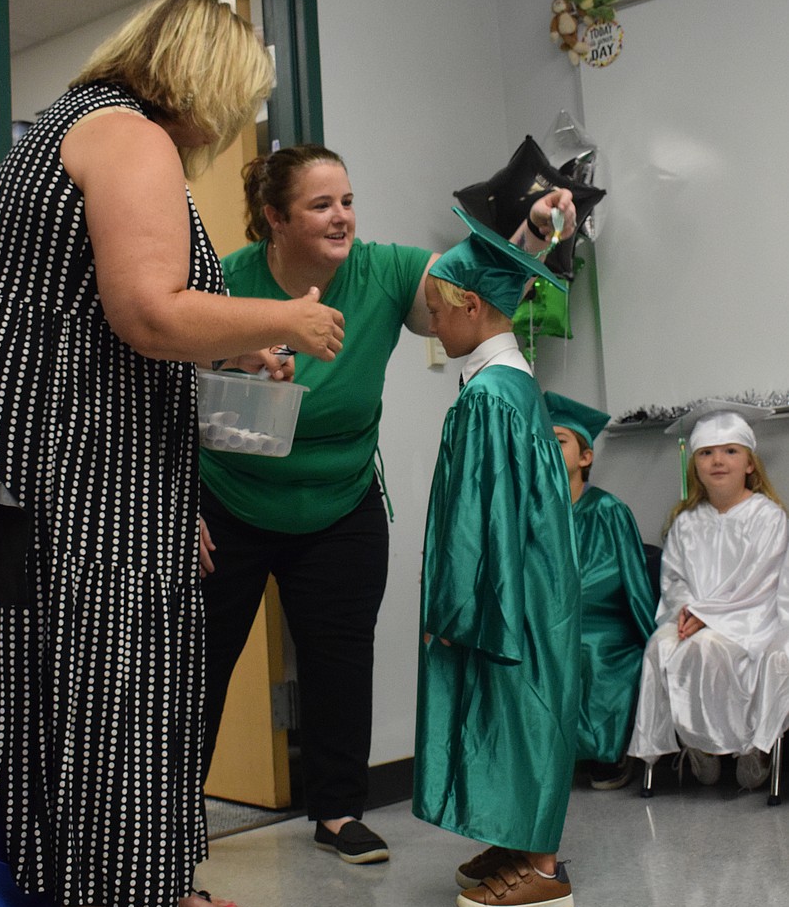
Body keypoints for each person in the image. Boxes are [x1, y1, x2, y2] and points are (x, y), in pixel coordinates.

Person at [0, 0, 346, 907]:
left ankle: (138, 879)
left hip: (83, 437)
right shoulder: (128, 136)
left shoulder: (78, 130)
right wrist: (286, 322)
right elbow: (149, 315)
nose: (225, 123)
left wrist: (239, 342)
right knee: (96, 655)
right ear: (203, 78)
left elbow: (120, 307)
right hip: (60, 443)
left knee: (140, 648)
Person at [199, 145, 576, 864]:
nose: (343, 216)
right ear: (275, 218)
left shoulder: (386, 270)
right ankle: (174, 825)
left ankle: (338, 810)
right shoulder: (224, 280)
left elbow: (472, 289)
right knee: (201, 666)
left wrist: (530, 233)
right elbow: (161, 388)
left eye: (347, 200)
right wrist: (178, 505)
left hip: (341, 501)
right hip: (231, 501)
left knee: (340, 658)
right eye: (321, 205)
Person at [413, 210, 581, 907]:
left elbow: (473, 519)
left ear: (472, 304)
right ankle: (519, 838)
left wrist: (456, 606)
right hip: (531, 576)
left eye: (437, 310)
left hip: (511, 582)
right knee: (518, 697)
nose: (432, 323)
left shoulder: (488, 397)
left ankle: (542, 866)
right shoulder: (512, 386)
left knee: (520, 698)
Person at [628, 404, 789, 791]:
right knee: (659, 647)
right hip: (689, 616)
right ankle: (695, 743)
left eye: (730, 451)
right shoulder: (686, 522)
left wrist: (707, 615)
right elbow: (675, 579)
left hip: (753, 617)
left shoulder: (768, 517)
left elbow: (759, 582)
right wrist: (687, 613)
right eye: (706, 452)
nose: (718, 460)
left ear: (750, 463)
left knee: (711, 646)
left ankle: (747, 748)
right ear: (695, 465)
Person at [544, 391, 656, 791]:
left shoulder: (609, 511)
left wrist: (654, 637)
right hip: (547, 622)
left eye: (558, 441)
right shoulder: (532, 514)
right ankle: (552, 757)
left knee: (589, 649)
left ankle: (606, 757)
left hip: (605, 624)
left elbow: (631, 579)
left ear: (586, 457)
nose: (548, 450)